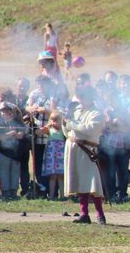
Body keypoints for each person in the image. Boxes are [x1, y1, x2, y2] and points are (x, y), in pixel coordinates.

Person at [64, 85, 107, 224]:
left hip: (86, 149)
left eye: (84, 97)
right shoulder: (75, 111)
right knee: (78, 181)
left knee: (92, 183)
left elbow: (90, 129)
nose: (81, 100)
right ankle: (84, 214)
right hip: (73, 148)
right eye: (80, 97)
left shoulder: (97, 113)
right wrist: (65, 121)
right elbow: (67, 132)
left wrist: (71, 124)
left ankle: (100, 214)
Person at [0, 102, 25, 199]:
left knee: (15, 173)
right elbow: (0, 137)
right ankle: (5, 192)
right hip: (3, 152)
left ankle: (13, 192)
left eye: (8, 110)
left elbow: (21, 135)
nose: (6, 112)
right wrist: (12, 133)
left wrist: (10, 134)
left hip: (16, 152)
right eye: (3, 111)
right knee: (4, 172)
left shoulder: (18, 123)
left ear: (12, 112)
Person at [41, 111, 65, 200]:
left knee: (61, 176)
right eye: (52, 119)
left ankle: (62, 195)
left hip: (61, 154)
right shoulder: (49, 129)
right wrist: (45, 127)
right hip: (51, 154)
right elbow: (38, 132)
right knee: (52, 176)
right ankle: (51, 196)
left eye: (56, 120)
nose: (54, 122)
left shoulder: (63, 129)